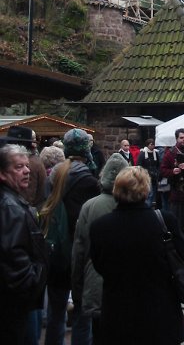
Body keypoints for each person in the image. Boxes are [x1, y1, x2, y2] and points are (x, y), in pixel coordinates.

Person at [90, 166, 184, 345]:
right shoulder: (163, 221)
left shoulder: (100, 227)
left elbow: (99, 266)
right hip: (160, 313)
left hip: (118, 314)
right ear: (146, 189)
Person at [40, 129, 100, 345]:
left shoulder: (54, 173)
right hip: (78, 253)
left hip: (55, 249)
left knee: (56, 313)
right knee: (83, 316)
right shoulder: (88, 180)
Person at [71, 154, 128, 345]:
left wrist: (77, 285)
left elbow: (79, 250)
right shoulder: (136, 206)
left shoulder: (90, 206)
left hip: (96, 281)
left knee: (100, 335)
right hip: (128, 287)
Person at [0, 144, 48, 345]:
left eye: (26, 166)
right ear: (3, 174)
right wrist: (36, 278)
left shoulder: (13, 203)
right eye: (19, 167)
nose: (27, 171)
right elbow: (14, 265)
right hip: (13, 307)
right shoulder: (11, 209)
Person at [137, 138, 160, 207]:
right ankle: (147, 208)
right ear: (147, 145)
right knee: (150, 193)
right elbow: (139, 165)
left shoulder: (155, 153)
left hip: (154, 177)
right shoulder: (142, 153)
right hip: (146, 176)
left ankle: (150, 207)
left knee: (154, 194)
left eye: (154, 144)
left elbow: (158, 164)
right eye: (151, 144)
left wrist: (157, 172)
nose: (153, 146)